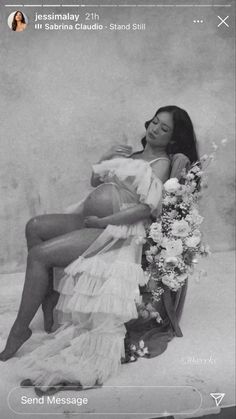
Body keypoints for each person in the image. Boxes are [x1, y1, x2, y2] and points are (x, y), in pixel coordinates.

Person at [0, 106, 198, 393]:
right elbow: (97, 181)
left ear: (173, 137)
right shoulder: (132, 156)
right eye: (154, 122)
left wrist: (104, 220)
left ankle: (20, 328)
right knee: (34, 226)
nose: (155, 129)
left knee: (39, 256)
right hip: (90, 218)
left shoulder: (162, 163)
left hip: (114, 230)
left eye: (164, 128)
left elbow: (145, 209)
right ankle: (49, 297)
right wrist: (107, 158)